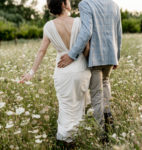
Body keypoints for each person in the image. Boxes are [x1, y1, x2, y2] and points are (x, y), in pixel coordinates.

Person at [20, 0, 91, 145]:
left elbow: (42, 51)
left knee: (65, 106)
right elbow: (87, 48)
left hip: (62, 70)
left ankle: (65, 141)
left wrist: (31, 73)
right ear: (64, 4)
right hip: (81, 69)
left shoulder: (49, 26)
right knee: (79, 104)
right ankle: (77, 137)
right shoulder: (79, 22)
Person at [58, 0, 122, 134]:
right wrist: (117, 56)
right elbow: (118, 33)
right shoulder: (114, 5)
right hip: (111, 55)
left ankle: (101, 133)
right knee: (105, 83)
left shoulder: (85, 4)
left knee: (96, 95)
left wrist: (71, 55)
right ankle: (109, 122)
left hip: (96, 56)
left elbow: (86, 32)